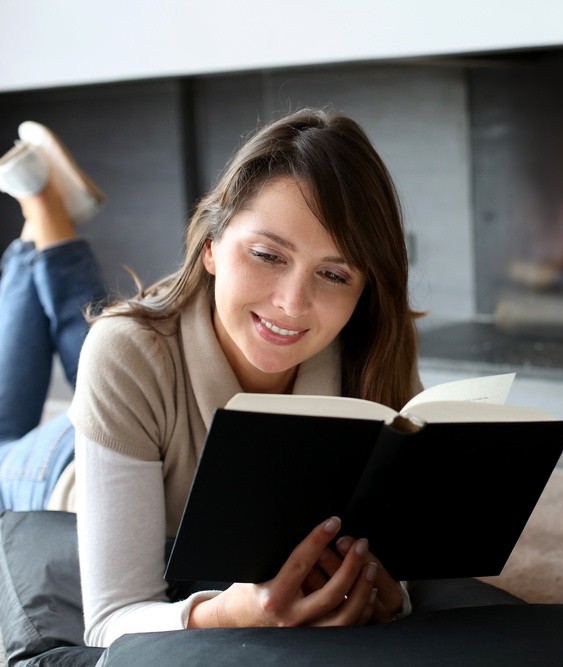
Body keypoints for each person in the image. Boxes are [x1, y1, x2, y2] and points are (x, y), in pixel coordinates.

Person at [0, 110, 422, 647]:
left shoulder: (372, 354)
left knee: (99, 336)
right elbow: (111, 621)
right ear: (210, 247)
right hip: (54, 465)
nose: (293, 304)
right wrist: (229, 614)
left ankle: (42, 212)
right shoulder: (128, 352)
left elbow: (399, 563)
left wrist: (394, 596)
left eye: (334, 273)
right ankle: (39, 202)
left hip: (141, 390)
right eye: (268, 255)